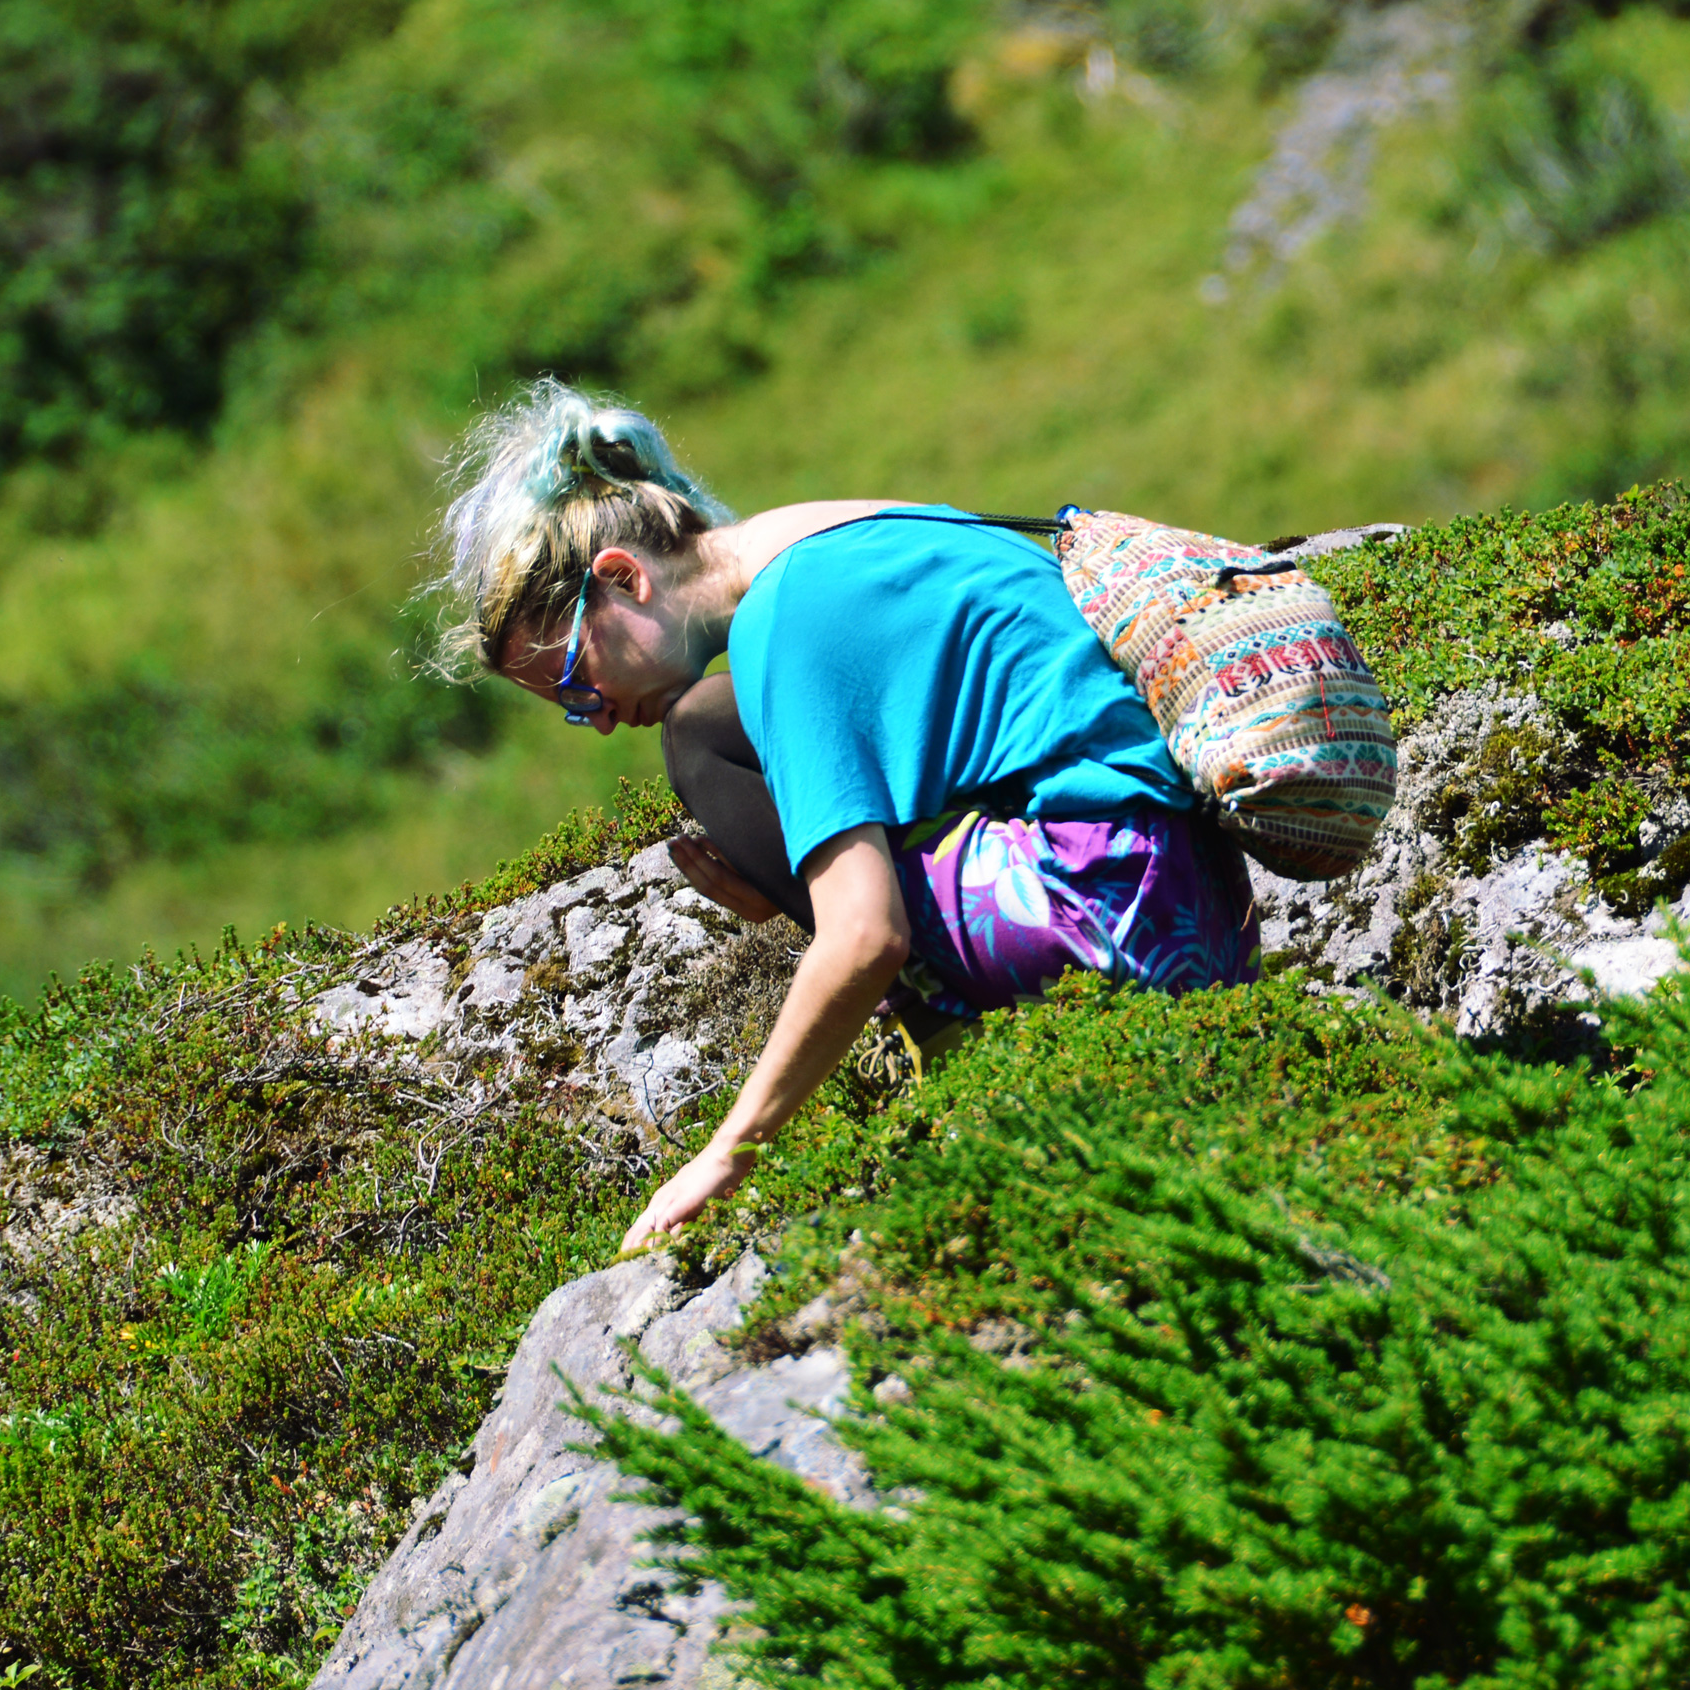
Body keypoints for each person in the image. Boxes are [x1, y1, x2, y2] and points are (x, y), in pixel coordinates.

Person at [435, 381, 1259, 1253]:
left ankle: (976, 1096)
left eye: (575, 680)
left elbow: (867, 939)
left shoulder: (786, 622)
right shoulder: (843, 535)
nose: (596, 717)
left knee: (696, 735)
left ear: (621, 576)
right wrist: (780, 878)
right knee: (717, 719)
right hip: (1202, 902)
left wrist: (724, 1154)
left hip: (1110, 917)